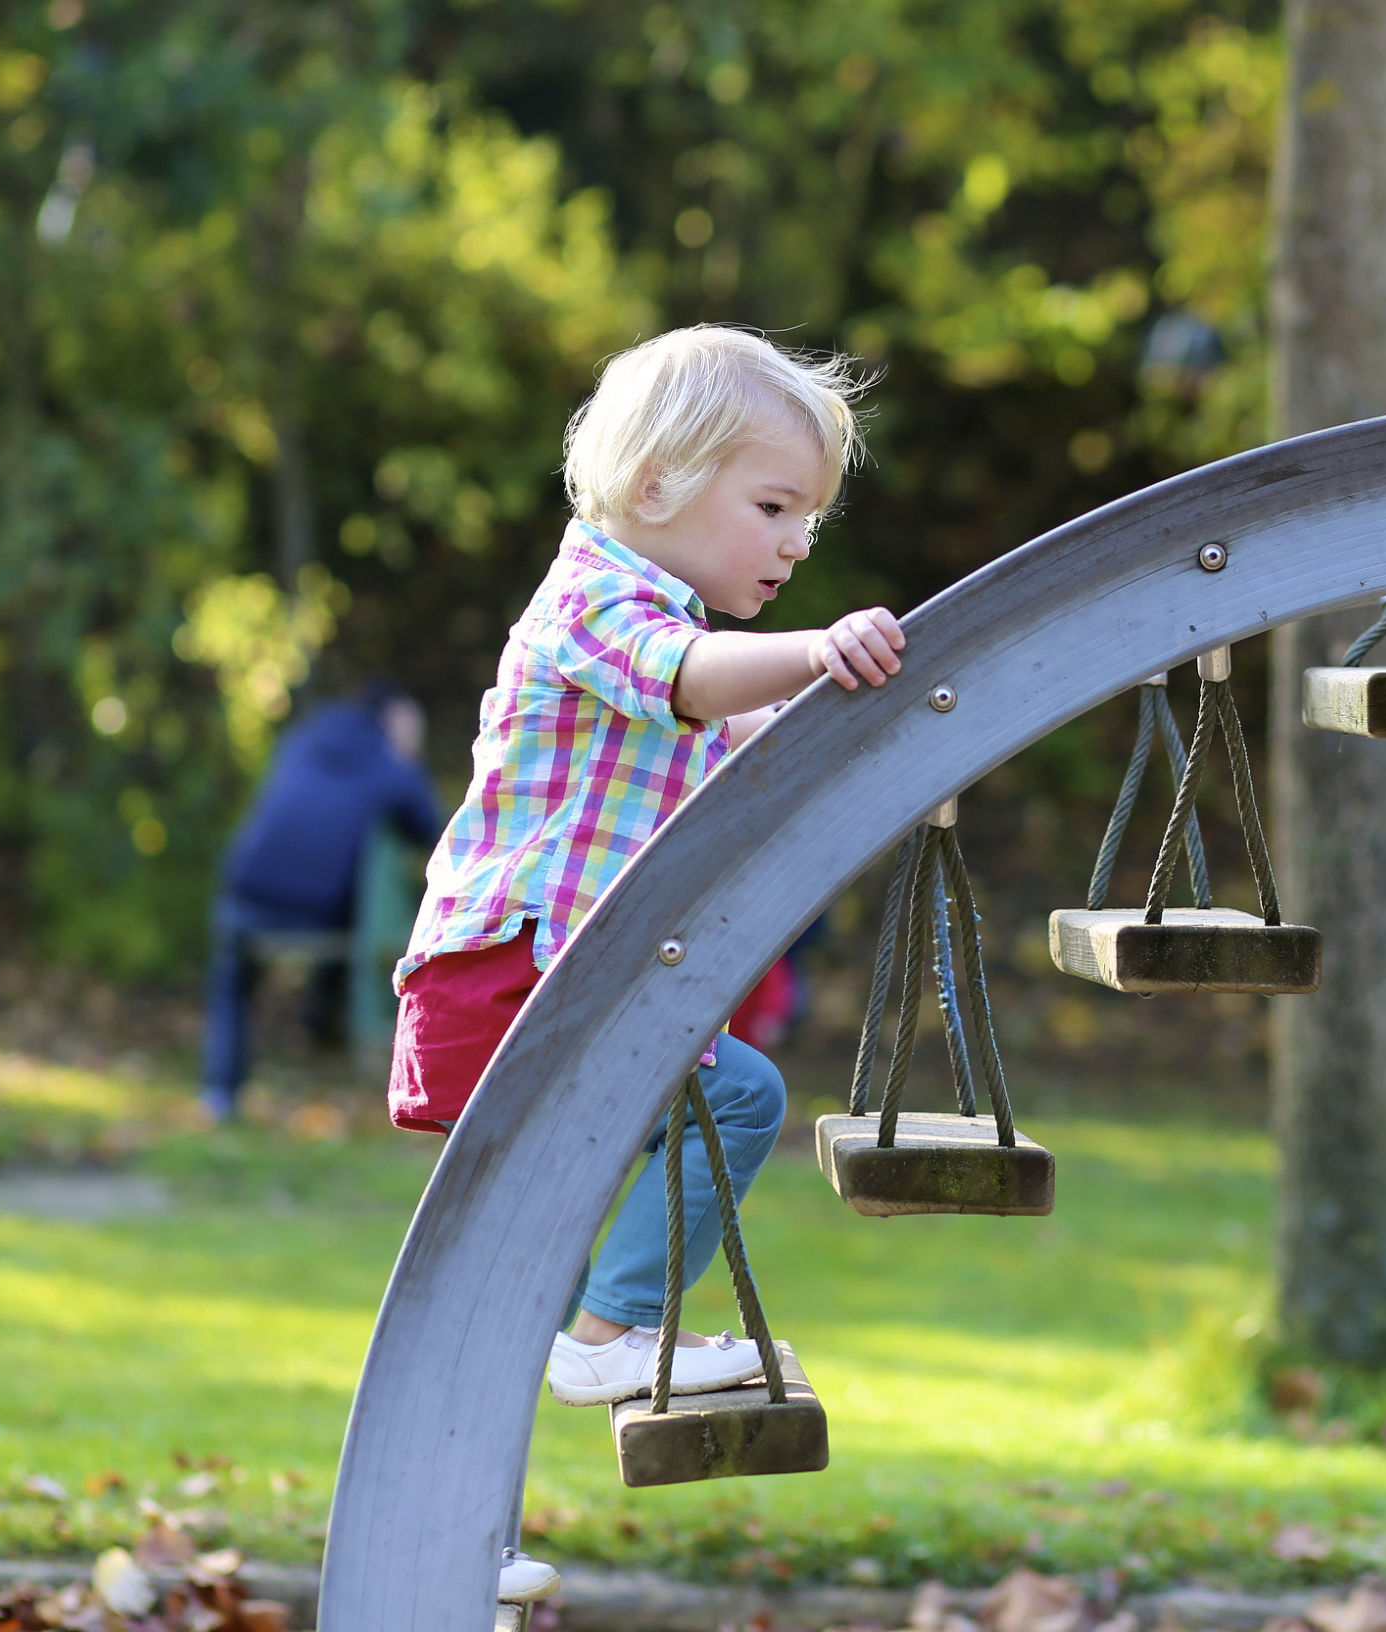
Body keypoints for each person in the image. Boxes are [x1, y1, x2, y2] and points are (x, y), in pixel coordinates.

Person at [385, 326, 904, 1605]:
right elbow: (691, 681)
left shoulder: (676, 632)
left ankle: (468, 1543)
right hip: (512, 977)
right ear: (662, 483)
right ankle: (611, 1344)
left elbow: (743, 737)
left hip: (542, 982)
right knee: (736, 1098)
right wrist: (814, 650)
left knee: (513, 1270)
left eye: (809, 522)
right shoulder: (598, 605)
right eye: (774, 506)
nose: (794, 544)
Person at [199, 684, 441, 1123]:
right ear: (392, 722)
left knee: (232, 984)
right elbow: (431, 831)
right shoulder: (389, 766)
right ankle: (321, 1034)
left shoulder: (302, 741)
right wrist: (408, 761)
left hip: (246, 889)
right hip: (317, 908)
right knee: (363, 907)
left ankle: (219, 1094)